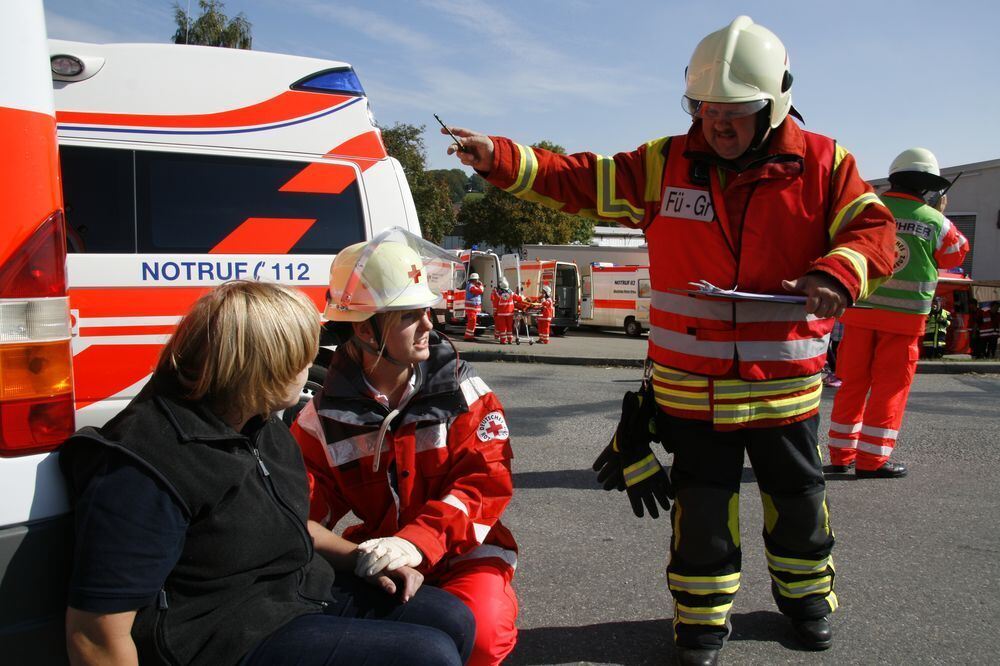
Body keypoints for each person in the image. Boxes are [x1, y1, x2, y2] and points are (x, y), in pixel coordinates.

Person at [443, 16, 896, 664]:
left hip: (784, 396)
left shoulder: (825, 163)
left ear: (774, 105)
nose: (717, 126)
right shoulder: (665, 164)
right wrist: (503, 160)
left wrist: (838, 270)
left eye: (734, 113)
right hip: (694, 395)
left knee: (798, 508)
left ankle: (806, 603)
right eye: (705, 110)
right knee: (701, 517)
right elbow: (580, 178)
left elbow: (874, 231)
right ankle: (701, 622)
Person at [60, 281, 475, 666]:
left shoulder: (258, 423)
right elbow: (95, 633)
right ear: (264, 366)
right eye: (302, 357)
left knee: (453, 618)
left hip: (291, 590)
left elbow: (292, 524)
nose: (314, 364)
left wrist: (361, 558)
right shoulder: (148, 464)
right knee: (426, 655)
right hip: (218, 631)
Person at [291, 230, 519, 666]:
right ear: (364, 328)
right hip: (383, 556)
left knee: (483, 636)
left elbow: (485, 482)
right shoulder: (320, 420)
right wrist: (360, 558)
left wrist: (417, 542)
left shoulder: (464, 392)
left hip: (465, 553)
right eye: (409, 316)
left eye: (425, 311)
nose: (429, 326)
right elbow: (299, 514)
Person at [829, 148, 969, 478]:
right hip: (903, 323)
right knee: (888, 389)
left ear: (894, 177)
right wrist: (936, 211)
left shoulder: (869, 208)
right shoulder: (936, 221)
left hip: (859, 315)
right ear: (929, 187)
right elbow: (955, 255)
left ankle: (840, 454)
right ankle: (872, 461)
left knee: (851, 384)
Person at [491, 276, 517, 344]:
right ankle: (510, 340)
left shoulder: (498, 295)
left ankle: (503, 340)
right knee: (509, 327)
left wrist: (495, 312)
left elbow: (496, 304)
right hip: (510, 314)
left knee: (502, 328)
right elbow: (518, 298)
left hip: (501, 314)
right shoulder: (511, 293)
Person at [464, 272, 484, 341]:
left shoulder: (472, 285)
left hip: (472, 307)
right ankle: (468, 337)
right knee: (472, 321)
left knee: (473, 322)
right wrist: (481, 286)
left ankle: (470, 336)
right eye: (477, 280)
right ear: (474, 280)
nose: (478, 281)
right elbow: (480, 291)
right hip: (471, 307)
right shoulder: (471, 286)